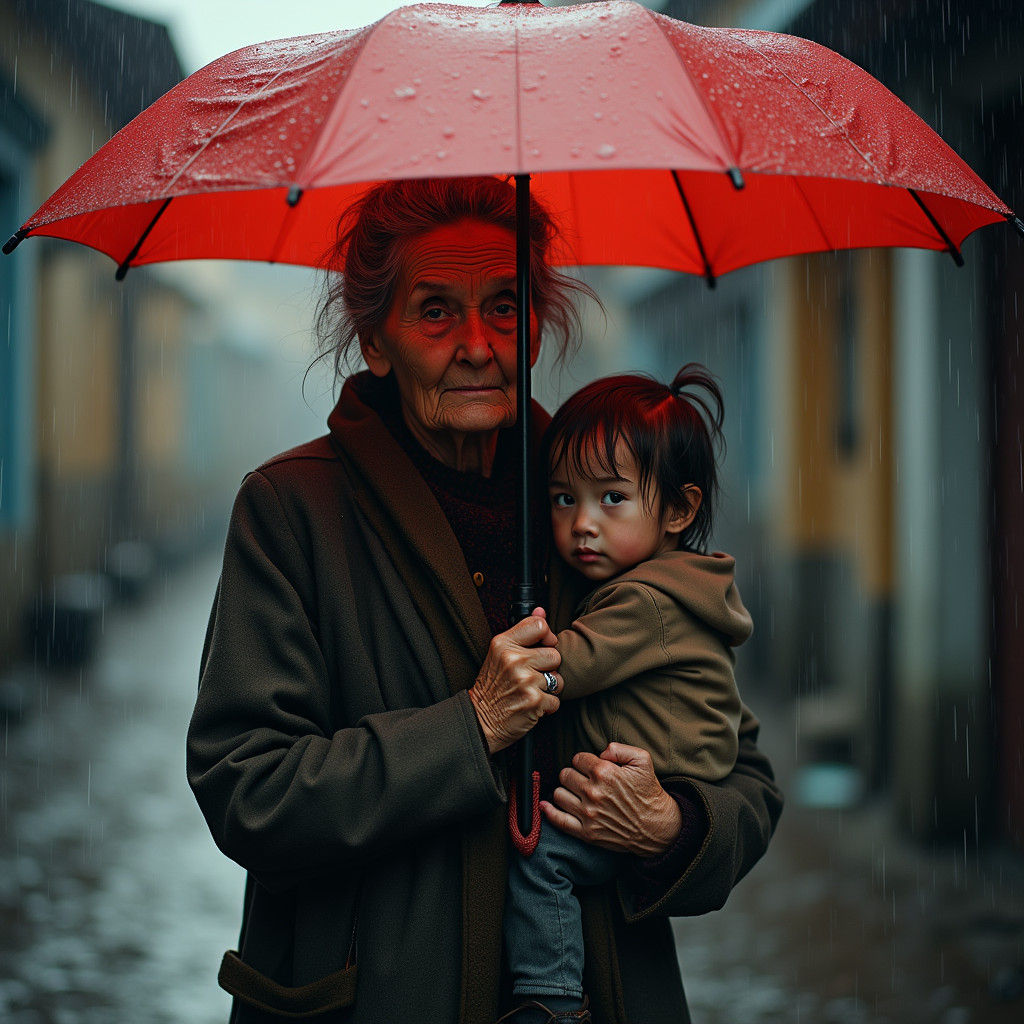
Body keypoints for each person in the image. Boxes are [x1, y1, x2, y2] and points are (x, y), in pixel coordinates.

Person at [186, 176, 783, 1024]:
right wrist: (468, 730)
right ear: (376, 339)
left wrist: (673, 823)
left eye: (505, 306)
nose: (478, 344)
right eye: (435, 311)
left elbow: (743, 774)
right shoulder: (295, 511)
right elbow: (247, 787)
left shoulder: (596, 505)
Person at [502, 367, 752, 1023]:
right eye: (562, 500)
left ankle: (550, 1000)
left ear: (679, 509)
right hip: (678, 768)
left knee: (545, 860)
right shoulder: (679, 582)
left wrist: (523, 657)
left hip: (657, 785)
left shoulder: (645, 598)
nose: (582, 524)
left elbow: (575, 663)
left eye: (611, 499)